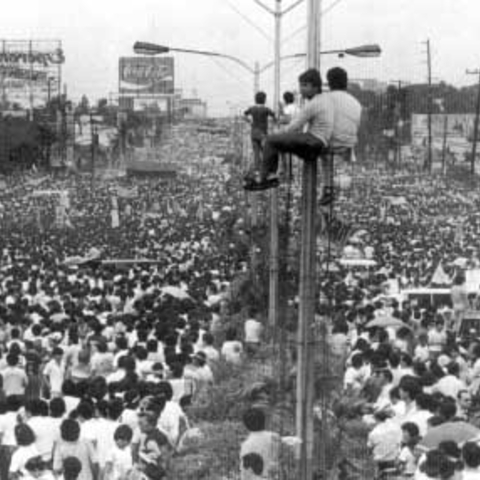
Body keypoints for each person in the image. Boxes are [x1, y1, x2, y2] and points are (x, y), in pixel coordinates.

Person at [240, 408, 280, 480]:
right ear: (264, 421)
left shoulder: (246, 445)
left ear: (246, 425)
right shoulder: (274, 437)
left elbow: (245, 471)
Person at [244, 92, 276, 173]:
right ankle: (267, 169)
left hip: (254, 133)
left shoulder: (252, 109)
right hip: (262, 134)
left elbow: (244, 115)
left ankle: (257, 171)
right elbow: (274, 116)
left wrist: (250, 122)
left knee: (256, 153)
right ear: (264, 99)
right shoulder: (266, 109)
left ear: (255, 99)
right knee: (266, 152)